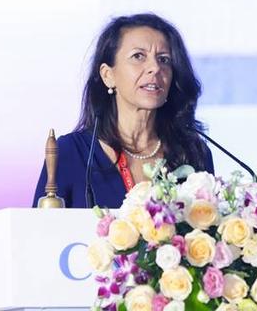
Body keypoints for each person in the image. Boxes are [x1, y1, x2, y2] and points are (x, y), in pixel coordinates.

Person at [32, 13, 214, 208]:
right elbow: (38, 227)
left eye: (164, 59)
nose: (155, 68)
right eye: (138, 56)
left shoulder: (193, 154)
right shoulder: (70, 153)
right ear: (108, 75)